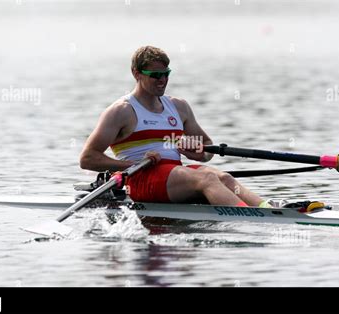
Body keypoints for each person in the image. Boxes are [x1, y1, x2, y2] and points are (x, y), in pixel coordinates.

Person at [80, 45, 266, 207]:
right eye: (156, 75)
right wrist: (133, 164)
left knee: (224, 178)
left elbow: (208, 147)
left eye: (166, 74)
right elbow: (87, 159)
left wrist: (200, 153)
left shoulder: (178, 107)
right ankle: (251, 216)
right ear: (136, 74)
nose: (162, 80)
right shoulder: (121, 111)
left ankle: (266, 208)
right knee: (207, 179)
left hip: (173, 175)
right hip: (140, 179)